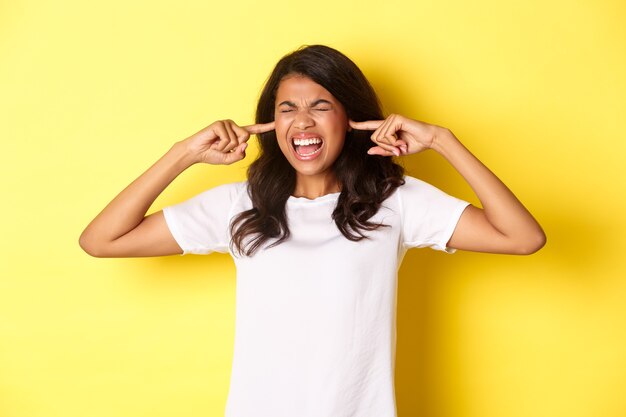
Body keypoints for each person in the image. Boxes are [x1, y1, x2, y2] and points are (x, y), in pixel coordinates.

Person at [79, 44, 545, 417]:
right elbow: (101, 240)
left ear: (351, 119)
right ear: (271, 124)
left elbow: (523, 238)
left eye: (321, 105)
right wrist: (184, 152)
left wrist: (443, 141)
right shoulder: (240, 206)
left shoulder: (395, 202)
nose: (302, 121)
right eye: (287, 109)